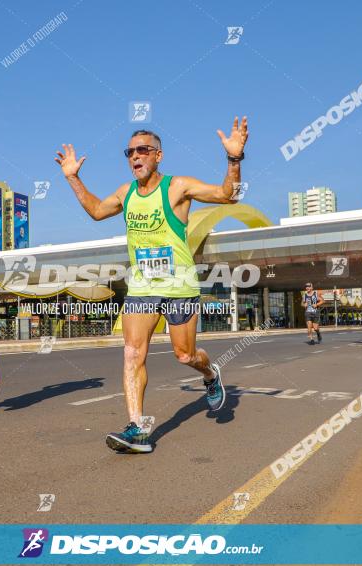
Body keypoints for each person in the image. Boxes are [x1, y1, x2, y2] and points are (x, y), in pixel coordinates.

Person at [55, 118, 248, 453]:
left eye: (142, 150)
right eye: (129, 152)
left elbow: (227, 196)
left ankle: (210, 374)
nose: (134, 156)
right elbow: (97, 211)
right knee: (132, 353)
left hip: (180, 284)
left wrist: (234, 160)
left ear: (158, 155)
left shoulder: (178, 187)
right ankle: (137, 429)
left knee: (185, 355)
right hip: (143, 286)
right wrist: (73, 178)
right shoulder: (125, 192)